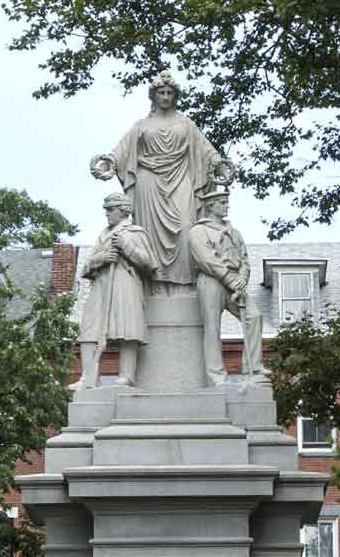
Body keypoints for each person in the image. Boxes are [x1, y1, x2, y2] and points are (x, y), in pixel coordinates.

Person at [90, 71, 232, 286]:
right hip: (149, 184)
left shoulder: (187, 125)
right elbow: (121, 151)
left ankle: (185, 285)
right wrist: (108, 162)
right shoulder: (141, 125)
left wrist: (218, 164)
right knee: (148, 236)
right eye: (161, 92)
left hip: (180, 180)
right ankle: (153, 285)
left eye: (169, 93)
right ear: (153, 96)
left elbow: (206, 151)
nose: (165, 97)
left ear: (175, 96)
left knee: (187, 228)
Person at [70, 192, 157, 389]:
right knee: (89, 330)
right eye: (106, 210)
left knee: (126, 328)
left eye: (111, 210)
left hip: (124, 283)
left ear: (123, 210)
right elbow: (86, 266)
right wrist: (102, 257)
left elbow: (149, 263)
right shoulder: (103, 234)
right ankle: (89, 378)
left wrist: (125, 247)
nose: (107, 214)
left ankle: (126, 376)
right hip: (101, 283)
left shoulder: (135, 232)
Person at [188, 187, 270, 386]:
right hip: (211, 280)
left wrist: (242, 278)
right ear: (210, 206)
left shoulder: (234, 232)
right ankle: (216, 377)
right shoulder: (199, 231)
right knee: (212, 327)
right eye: (222, 203)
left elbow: (244, 259)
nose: (226, 206)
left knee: (254, 316)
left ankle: (253, 369)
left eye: (226, 202)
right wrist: (231, 280)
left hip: (235, 283)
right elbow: (206, 259)